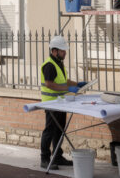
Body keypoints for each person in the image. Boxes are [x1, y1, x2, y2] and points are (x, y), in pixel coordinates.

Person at [40, 35, 85, 170]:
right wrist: (68, 88)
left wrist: (78, 84)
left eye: (65, 50)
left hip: (60, 102)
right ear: (54, 51)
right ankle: (45, 158)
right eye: (62, 50)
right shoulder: (49, 65)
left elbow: (64, 81)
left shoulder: (59, 63)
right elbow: (49, 84)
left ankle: (57, 156)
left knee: (59, 130)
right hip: (51, 104)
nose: (65, 52)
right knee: (49, 130)